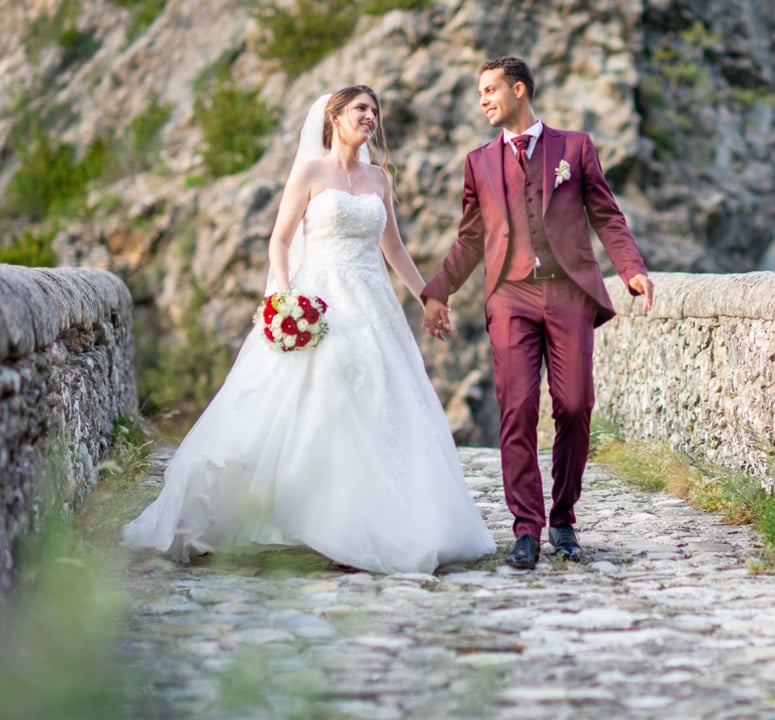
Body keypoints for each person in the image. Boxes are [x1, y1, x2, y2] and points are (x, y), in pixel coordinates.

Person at [123, 86, 497, 573]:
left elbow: (395, 250)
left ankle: (369, 521)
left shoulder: (379, 179)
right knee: (314, 396)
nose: (371, 116)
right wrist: (285, 296)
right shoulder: (309, 172)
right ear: (334, 117)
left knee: (380, 401)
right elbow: (279, 241)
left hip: (373, 303)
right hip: (317, 302)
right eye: (361, 109)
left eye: (374, 110)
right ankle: (282, 515)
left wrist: (429, 296)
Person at [421, 57, 654, 569]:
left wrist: (631, 267)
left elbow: (607, 216)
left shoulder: (575, 147)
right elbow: (470, 240)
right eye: (480, 92)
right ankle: (525, 528)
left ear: (518, 89)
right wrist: (439, 290)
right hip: (510, 296)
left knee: (573, 405)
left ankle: (563, 517)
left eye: (489, 90)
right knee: (517, 408)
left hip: (569, 291)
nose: (483, 100)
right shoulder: (479, 162)